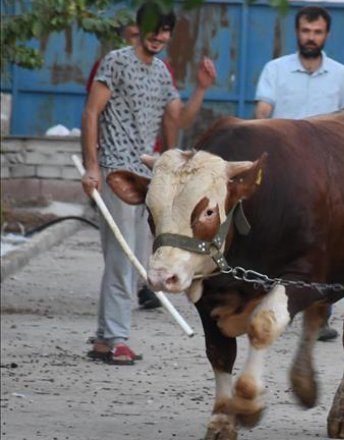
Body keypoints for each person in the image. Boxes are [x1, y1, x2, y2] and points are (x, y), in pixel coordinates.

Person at [80, 2, 215, 365]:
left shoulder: (161, 72)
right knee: (123, 259)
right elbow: (91, 112)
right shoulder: (116, 61)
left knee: (130, 257)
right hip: (114, 171)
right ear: (140, 28)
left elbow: (180, 117)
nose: (158, 37)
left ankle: (105, 339)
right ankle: (117, 337)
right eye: (153, 30)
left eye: (165, 32)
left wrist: (201, 89)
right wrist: (92, 167)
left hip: (146, 179)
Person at [253, 5, 344, 342]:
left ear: (326, 35)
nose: (311, 38)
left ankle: (319, 312)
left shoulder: (341, 75)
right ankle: (270, 306)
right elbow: (263, 113)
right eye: (305, 31)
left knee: (327, 241)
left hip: (329, 174)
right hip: (285, 170)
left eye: (317, 32)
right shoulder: (275, 70)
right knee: (275, 235)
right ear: (297, 32)